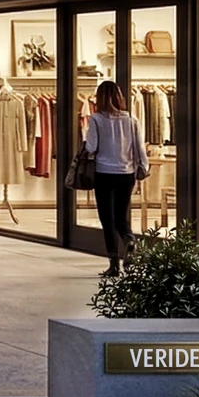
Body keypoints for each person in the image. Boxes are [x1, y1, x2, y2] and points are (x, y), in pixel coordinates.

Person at [85, 80, 147, 276]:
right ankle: (129, 239)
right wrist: (143, 167)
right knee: (121, 216)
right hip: (126, 174)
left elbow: (91, 147)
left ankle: (113, 265)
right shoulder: (131, 120)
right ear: (119, 97)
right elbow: (139, 147)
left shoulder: (96, 119)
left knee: (107, 220)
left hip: (104, 173)